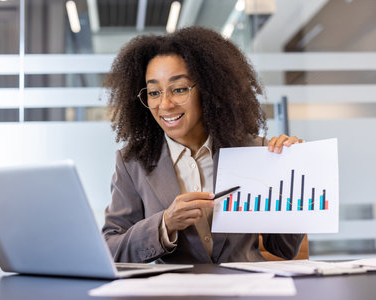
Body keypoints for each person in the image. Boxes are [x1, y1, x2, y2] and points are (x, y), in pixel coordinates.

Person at [102, 26, 304, 264]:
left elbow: (284, 248)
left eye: (179, 89)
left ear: (209, 90)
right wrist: (165, 224)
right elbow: (111, 248)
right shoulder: (132, 163)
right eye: (154, 92)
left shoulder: (254, 152)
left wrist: (291, 173)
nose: (165, 104)